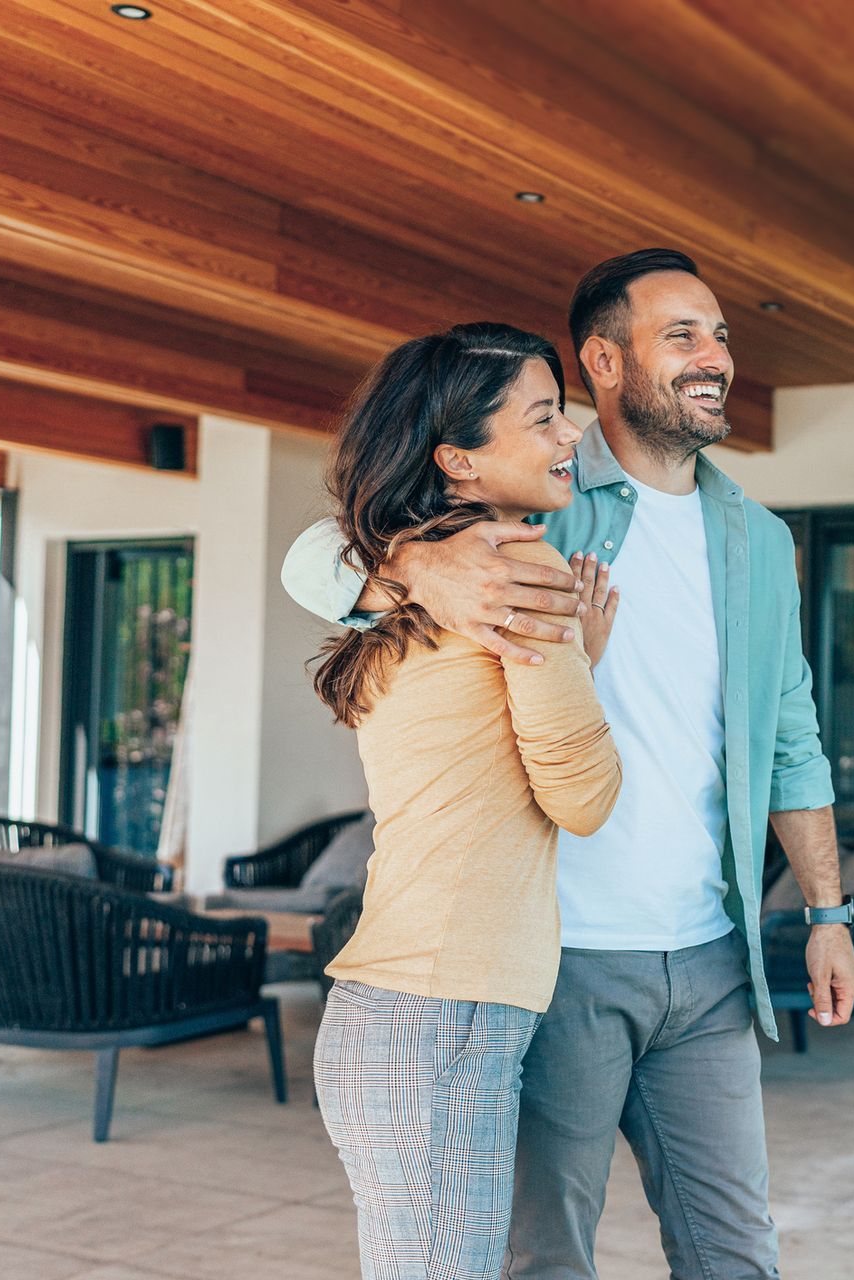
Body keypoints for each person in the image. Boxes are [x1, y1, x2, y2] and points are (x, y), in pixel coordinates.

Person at [284, 249, 854, 1279]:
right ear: (604, 359)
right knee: (543, 1256)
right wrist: (414, 561)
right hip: (560, 962)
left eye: (721, 333)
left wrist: (826, 911)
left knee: (739, 1254)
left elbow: (789, 734)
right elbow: (314, 554)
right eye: (681, 335)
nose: (714, 356)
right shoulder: (539, 503)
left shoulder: (759, 540)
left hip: (710, 956)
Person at [308, 322, 623, 1280]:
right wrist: (580, 660)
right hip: (441, 1012)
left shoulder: (411, 578)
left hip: (401, 1010)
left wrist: (570, 662)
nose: (572, 435)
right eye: (543, 418)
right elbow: (583, 798)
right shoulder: (516, 570)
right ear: (460, 460)